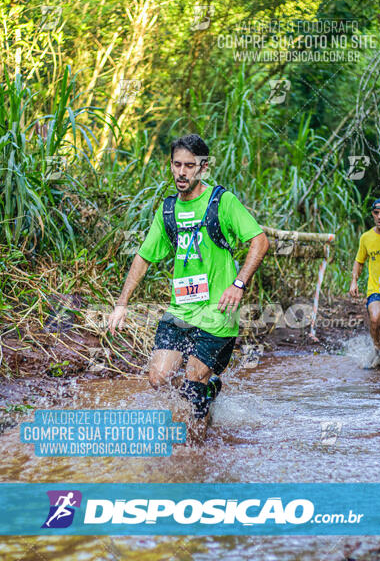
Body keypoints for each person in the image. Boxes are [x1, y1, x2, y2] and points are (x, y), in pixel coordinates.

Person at [108, 133, 269, 422]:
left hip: (217, 314)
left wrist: (238, 284)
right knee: (158, 379)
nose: (182, 172)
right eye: (177, 164)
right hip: (180, 310)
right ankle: (208, 392)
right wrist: (122, 304)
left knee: (193, 384)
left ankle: (197, 456)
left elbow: (260, 241)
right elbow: (143, 257)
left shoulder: (223, 201)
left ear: (203, 168)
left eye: (189, 166)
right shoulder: (168, 209)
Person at [350, 198, 380, 368]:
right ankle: (378, 353)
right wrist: (354, 281)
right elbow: (359, 261)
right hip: (377, 290)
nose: (379, 217)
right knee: (375, 318)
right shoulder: (366, 238)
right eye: (376, 213)